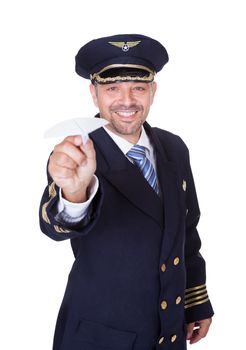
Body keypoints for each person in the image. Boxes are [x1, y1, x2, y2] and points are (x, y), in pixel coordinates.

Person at [39, 34, 214, 350]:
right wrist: (76, 193)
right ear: (94, 94)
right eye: (112, 89)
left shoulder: (174, 148)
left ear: (153, 91)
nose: (127, 101)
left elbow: (186, 231)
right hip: (101, 336)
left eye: (138, 88)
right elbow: (54, 225)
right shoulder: (75, 155)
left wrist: (195, 302)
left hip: (168, 333)